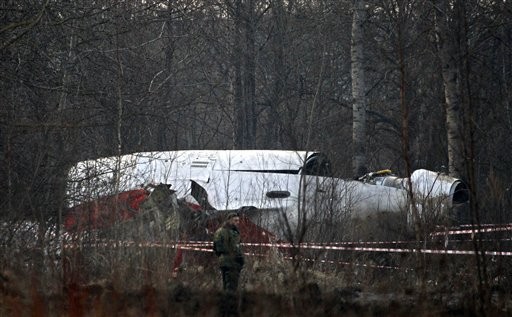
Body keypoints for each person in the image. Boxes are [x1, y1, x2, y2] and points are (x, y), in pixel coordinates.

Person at [213, 212, 244, 293]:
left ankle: (225, 303)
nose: (237, 223)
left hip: (224, 262)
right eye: (235, 220)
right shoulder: (229, 232)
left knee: (226, 286)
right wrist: (239, 258)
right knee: (231, 288)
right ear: (229, 221)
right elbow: (234, 248)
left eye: (238, 221)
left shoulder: (220, 231)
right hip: (231, 262)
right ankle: (229, 304)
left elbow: (216, 248)